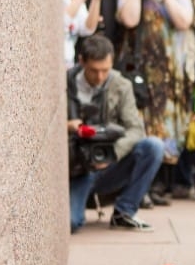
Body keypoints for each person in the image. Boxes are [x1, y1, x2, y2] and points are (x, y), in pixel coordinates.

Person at [116, 0, 194, 202]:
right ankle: (143, 187)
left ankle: (160, 185)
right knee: (145, 126)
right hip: (142, 73)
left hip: (171, 74)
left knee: (169, 128)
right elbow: (129, 18)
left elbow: (184, 22)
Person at [67, 36, 163, 232]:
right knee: (71, 223)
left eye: (105, 70)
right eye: (94, 71)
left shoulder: (121, 85)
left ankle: (124, 212)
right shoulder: (66, 83)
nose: (101, 76)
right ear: (81, 61)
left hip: (107, 166)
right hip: (75, 169)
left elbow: (136, 129)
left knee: (153, 147)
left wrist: (113, 154)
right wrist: (66, 126)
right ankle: (77, 202)